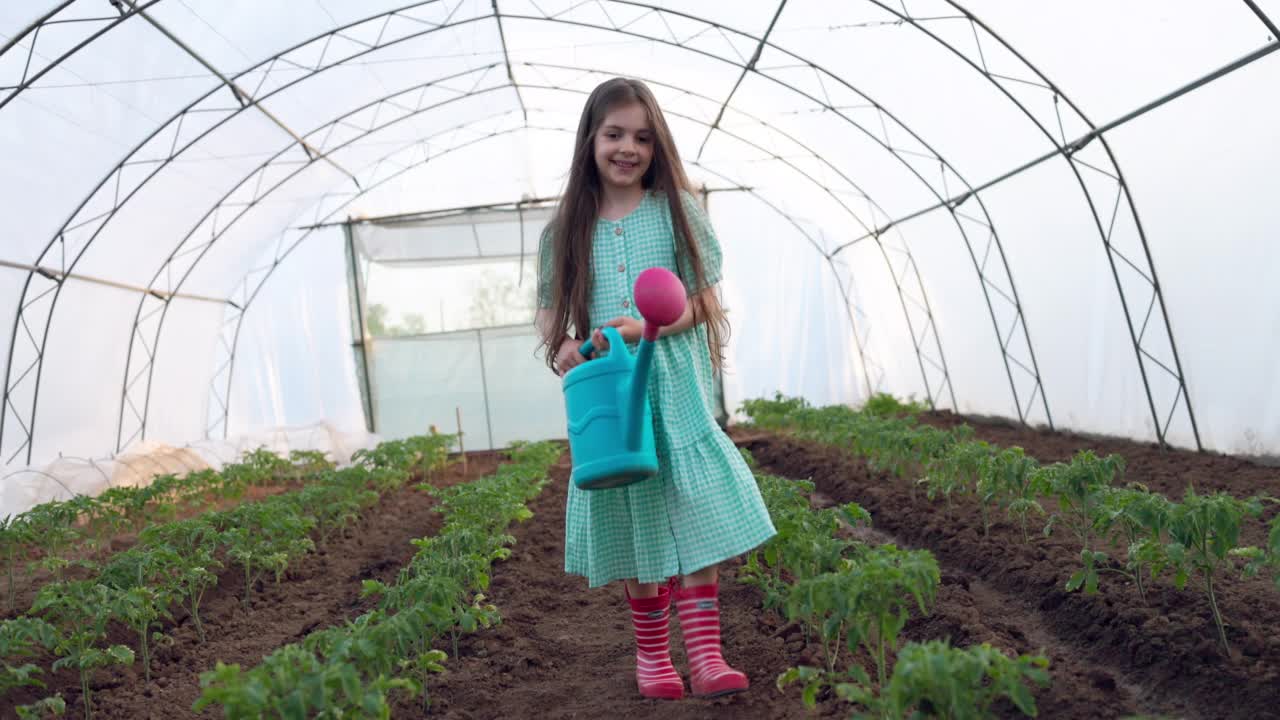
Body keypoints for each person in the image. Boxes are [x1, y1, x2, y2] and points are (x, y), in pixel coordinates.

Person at [534, 77, 777, 701]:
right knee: (632, 511)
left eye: (643, 137)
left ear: (657, 145)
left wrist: (647, 326)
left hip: (677, 389)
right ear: (590, 139)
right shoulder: (566, 230)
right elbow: (547, 310)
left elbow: (703, 301)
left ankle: (706, 655)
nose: (628, 148)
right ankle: (653, 660)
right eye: (614, 134)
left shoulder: (676, 210)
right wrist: (561, 344)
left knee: (695, 507)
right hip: (614, 397)